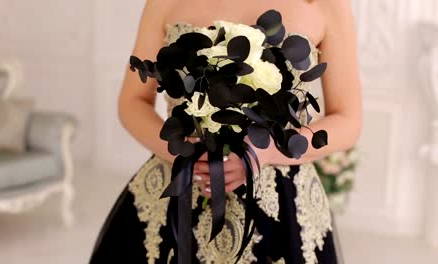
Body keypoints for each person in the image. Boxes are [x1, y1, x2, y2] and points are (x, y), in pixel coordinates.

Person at [90, 0, 362, 263]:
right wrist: (183, 154)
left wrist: (264, 151)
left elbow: (348, 120)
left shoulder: (326, 3)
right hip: (177, 193)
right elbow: (132, 102)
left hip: (280, 208)